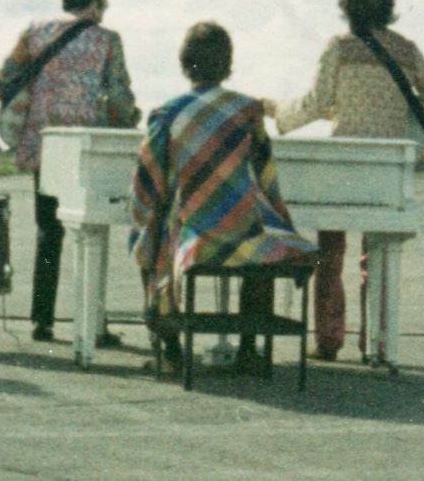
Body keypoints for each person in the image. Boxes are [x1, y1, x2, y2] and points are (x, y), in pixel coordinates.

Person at [265, 0, 424, 361]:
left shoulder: (339, 48)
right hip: (387, 168)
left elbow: (314, 105)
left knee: (330, 253)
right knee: (378, 251)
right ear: (389, 7)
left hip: (342, 165)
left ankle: (329, 339)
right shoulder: (406, 50)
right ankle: (377, 343)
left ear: (346, 6)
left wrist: (277, 112)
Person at [131, 22, 318, 372]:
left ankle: (170, 349)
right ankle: (249, 350)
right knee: (265, 236)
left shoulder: (166, 114)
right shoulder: (247, 111)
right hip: (242, 236)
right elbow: (266, 181)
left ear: (184, 62)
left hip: (192, 239)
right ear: (227, 63)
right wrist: (279, 221)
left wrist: (147, 221)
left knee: (150, 239)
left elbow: (146, 187)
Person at [0, 0, 140, 343]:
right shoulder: (107, 41)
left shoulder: (34, 32)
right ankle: (93, 323)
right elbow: (121, 99)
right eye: (103, 4)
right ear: (93, 2)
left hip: (44, 143)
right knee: (92, 232)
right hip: (88, 147)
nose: (104, 12)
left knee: (48, 231)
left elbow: (2, 80)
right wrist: (130, 119)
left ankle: (42, 320)